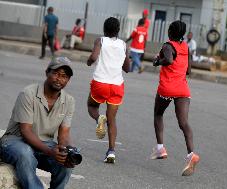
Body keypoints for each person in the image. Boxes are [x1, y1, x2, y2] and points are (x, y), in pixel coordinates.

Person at [0, 57, 75, 188]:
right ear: (47, 72)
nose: (59, 79)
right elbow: (25, 131)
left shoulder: (69, 101)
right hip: (15, 141)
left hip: (44, 145)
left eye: (64, 76)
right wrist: (50, 152)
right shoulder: (28, 93)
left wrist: (64, 151)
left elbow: (64, 133)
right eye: (56, 73)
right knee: (25, 153)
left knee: (66, 163)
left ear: (68, 80)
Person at [151, 21, 200, 176]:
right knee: (184, 123)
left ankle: (160, 149)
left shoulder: (167, 45)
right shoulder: (186, 47)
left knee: (158, 114)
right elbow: (189, 71)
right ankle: (191, 155)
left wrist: (157, 61)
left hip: (167, 86)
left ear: (170, 31)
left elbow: (169, 60)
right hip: (182, 88)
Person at [87, 17, 130, 164]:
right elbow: (128, 68)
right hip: (117, 85)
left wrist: (89, 62)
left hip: (100, 82)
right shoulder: (124, 45)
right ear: (118, 31)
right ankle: (111, 151)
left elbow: (93, 56)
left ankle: (99, 118)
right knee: (112, 120)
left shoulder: (100, 41)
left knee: (92, 106)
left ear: (104, 30)